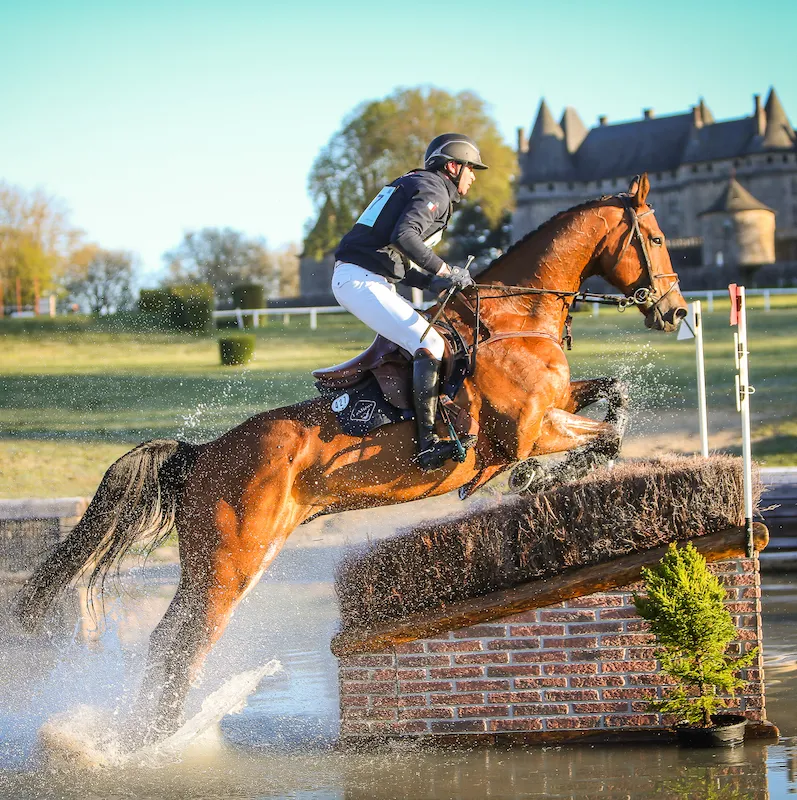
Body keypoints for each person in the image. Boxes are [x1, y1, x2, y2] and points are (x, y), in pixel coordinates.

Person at [332, 133, 488, 470]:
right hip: (360, 280)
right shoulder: (434, 189)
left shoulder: (418, 183)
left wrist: (433, 281)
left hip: (366, 277)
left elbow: (394, 259)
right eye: (471, 168)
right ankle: (427, 444)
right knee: (429, 342)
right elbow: (404, 237)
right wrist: (446, 269)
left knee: (427, 339)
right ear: (453, 166)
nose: (473, 176)